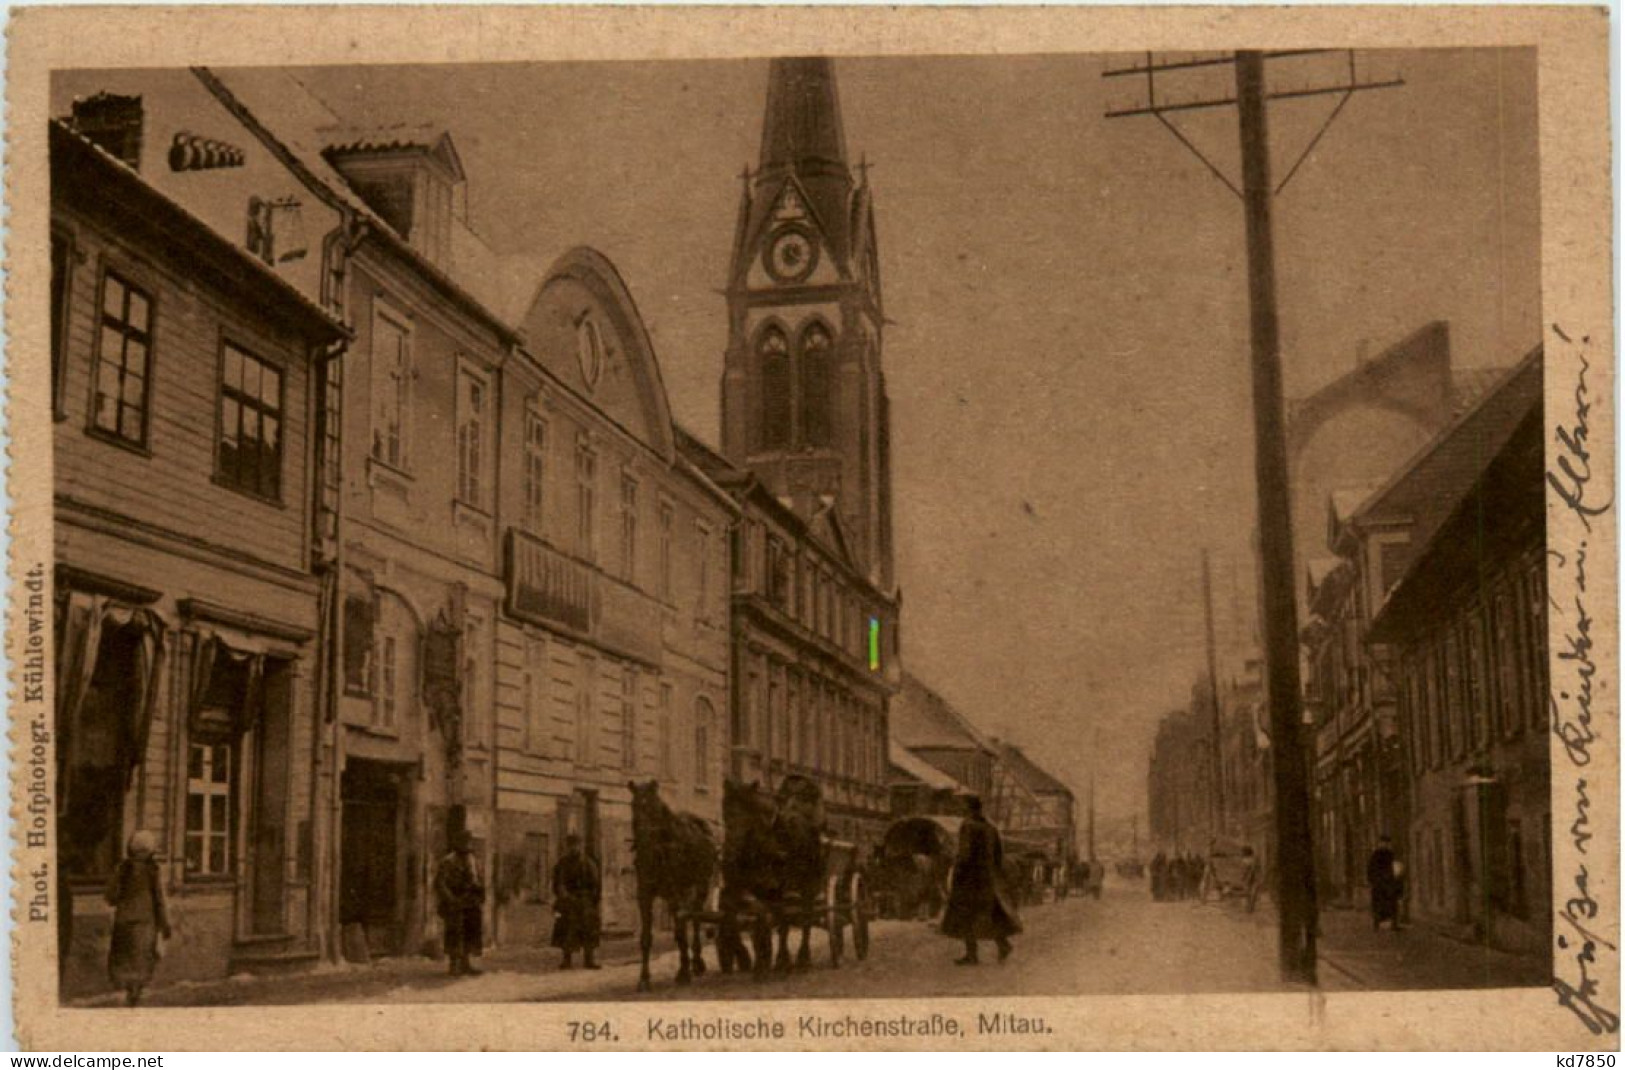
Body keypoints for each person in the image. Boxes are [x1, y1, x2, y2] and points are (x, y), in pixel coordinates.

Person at [939, 795, 1022, 965]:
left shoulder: (967, 825)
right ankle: (1003, 944)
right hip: (989, 878)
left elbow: (965, 854)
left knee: (966, 915)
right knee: (990, 915)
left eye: (962, 806)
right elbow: (1000, 855)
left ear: (969, 808)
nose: (960, 808)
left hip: (970, 878)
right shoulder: (991, 827)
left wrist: (956, 869)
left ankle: (972, 955)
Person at [106, 830, 169, 1007]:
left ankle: (128, 991)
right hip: (145, 922)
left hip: (123, 921)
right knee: (142, 960)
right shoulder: (152, 870)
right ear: (150, 850)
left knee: (125, 958)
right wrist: (164, 924)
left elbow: (110, 897)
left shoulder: (122, 868)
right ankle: (135, 993)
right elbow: (159, 900)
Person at [435, 829, 486, 977]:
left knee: (471, 932)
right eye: (463, 841)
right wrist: (451, 899)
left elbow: (479, 879)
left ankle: (466, 963)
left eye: (468, 841)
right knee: (454, 933)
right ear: (457, 843)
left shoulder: (474, 860)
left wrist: (480, 894)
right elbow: (440, 883)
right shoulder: (448, 861)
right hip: (455, 902)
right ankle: (454, 965)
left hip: (471, 902)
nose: (466, 845)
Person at [551, 834, 602, 969]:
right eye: (571, 845)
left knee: (589, 929)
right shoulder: (562, 863)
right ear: (567, 847)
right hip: (568, 901)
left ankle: (589, 959)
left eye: (576, 845)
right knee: (565, 928)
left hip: (585, 901)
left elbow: (596, 884)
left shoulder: (588, 863)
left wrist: (592, 900)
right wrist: (563, 895)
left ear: (581, 845)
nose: (573, 848)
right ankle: (566, 960)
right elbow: (557, 883)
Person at [1366, 834, 1404, 931]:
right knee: (1379, 904)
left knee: (1392, 904)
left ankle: (1394, 924)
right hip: (1379, 884)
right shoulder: (1375, 855)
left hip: (1389, 883)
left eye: (1387, 843)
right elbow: (1370, 869)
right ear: (1380, 843)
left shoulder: (1391, 854)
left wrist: (1397, 880)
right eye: (1383, 843)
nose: (1385, 845)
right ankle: (1377, 923)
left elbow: (1396, 868)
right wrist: (1373, 881)